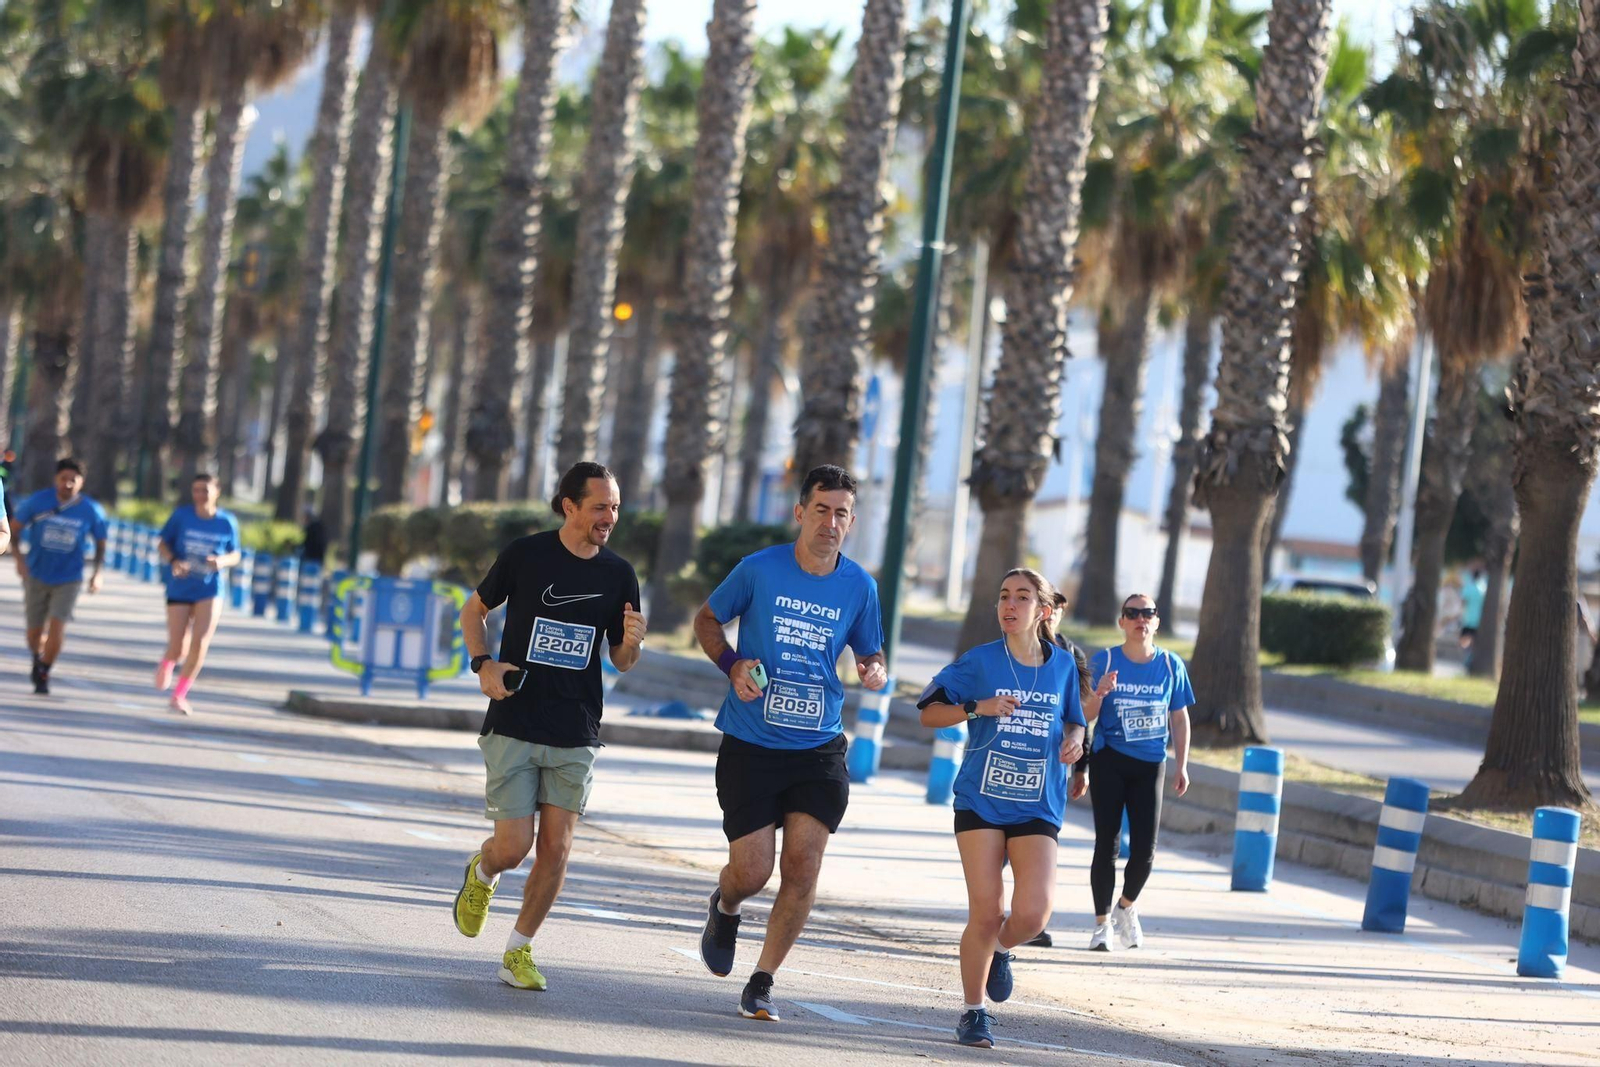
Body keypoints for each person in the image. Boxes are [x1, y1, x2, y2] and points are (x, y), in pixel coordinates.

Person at [693, 464, 888, 1022]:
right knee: (752, 873)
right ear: (801, 512)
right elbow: (707, 620)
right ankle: (726, 903)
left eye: (842, 513)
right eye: (821, 510)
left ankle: (762, 980)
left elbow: (869, 651)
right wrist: (732, 665)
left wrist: (873, 668)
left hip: (818, 747)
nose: (831, 522)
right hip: (751, 742)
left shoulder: (860, 586)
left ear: (852, 522)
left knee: (802, 867)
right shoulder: (759, 569)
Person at [450, 461, 647, 992]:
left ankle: (518, 950)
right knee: (514, 847)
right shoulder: (526, 554)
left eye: (615, 508)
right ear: (569, 506)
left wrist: (632, 642)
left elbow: (621, 660)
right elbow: (473, 612)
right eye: (600, 507)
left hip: (576, 728)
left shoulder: (619, 574)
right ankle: (483, 871)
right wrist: (483, 664)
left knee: (556, 850)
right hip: (515, 719)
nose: (610, 518)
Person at [917, 569, 1086, 1049]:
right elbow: (928, 712)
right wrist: (978, 708)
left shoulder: (1063, 665)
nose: (1009, 605)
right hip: (982, 800)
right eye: (1004, 596)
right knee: (987, 910)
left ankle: (1001, 948)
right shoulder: (980, 661)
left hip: (1038, 802)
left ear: (1044, 611)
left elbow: (1075, 720)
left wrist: (1075, 743)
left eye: (1022, 597)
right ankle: (974, 1012)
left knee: (1033, 915)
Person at [1073, 593, 1193, 952]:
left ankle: (1125, 907)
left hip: (1150, 764)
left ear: (1156, 622)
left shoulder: (1170, 664)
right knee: (1106, 845)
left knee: (1144, 851)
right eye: (1133, 613)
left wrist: (1182, 764)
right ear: (1122, 622)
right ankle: (1101, 926)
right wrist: (1100, 692)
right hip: (1110, 760)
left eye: (1148, 613)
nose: (1141, 618)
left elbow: (1179, 717)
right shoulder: (1105, 660)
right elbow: (1084, 715)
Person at [13, 458, 109, 695]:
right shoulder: (38, 501)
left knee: (58, 625)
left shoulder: (91, 510)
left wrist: (97, 573)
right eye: (63, 479)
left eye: (73, 480)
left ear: (82, 482)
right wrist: (19, 561)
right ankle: (38, 656)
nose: (67, 484)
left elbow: (101, 542)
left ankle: (45, 670)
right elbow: (13, 530)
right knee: (34, 633)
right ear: (55, 478)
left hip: (69, 578)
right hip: (36, 574)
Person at [155, 473, 243, 715]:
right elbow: (162, 543)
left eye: (205, 490)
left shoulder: (227, 522)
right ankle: (168, 661)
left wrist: (221, 561)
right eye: (196, 490)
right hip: (180, 586)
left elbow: (236, 554)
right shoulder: (181, 516)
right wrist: (174, 561)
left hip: (210, 588)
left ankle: (179, 695)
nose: (200, 495)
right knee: (178, 647)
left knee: (201, 643)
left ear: (217, 492)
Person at [1458, 566, 1487, 664]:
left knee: (1463, 640)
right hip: (1479, 620)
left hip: (1468, 618)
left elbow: (1463, 602)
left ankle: (1467, 658)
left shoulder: (1469, 587)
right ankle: (1470, 658)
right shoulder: (1484, 588)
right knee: (1474, 641)